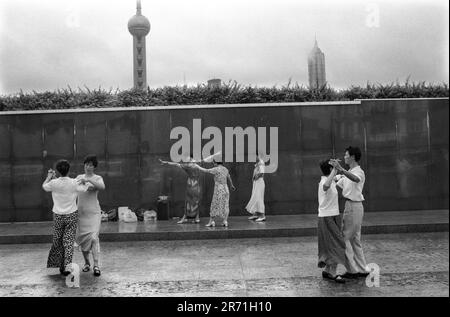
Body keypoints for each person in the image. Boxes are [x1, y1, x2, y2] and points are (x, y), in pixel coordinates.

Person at [330, 146, 370, 279]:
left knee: (344, 238)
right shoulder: (349, 172)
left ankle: (352, 270)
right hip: (352, 206)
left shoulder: (359, 172)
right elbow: (337, 181)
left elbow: (355, 179)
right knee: (354, 239)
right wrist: (333, 170)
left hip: (353, 207)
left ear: (353, 157)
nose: (345, 157)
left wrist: (340, 169)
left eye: (346, 155)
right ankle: (362, 268)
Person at [42, 159, 88, 276]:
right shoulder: (74, 182)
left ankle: (57, 265)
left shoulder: (54, 183)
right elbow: (85, 188)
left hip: (57, 215)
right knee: (68, 241)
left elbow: (44, 187)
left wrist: (49, 177)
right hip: (71, 214)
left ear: (57, 170)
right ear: (69, 170)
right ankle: (67, 267)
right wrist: (84, 181)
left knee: (57, 240)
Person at [75, 155, 105, 277]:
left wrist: (88, 180)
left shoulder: (97, 178)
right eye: (86, 164)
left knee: (93, 237)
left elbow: (102, 187)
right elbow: (70, 186)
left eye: (91, 165)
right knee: (83, 239)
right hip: (81, 213)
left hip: (93, 213)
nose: (88, 167)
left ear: (94, 167)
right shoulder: (78, 177)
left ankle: (96, 265)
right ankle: (87, 263)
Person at [317, 159, 346, 283]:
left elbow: (340, 176)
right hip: (326, 217)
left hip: (333, 216)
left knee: (331, 244)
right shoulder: (324, 181)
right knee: (336, 244)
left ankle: (329, 270)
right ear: (330, 170)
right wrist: (334, 170)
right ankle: (333, 272)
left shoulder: (332, 179)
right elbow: (326, 186)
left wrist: (339, 170)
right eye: (332, 169)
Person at [159, 156, 202, 224]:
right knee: (189, 201)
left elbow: (207, 160)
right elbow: (176, 164)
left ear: (191, 159)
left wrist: (215, 154)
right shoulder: (186, 166)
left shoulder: (195, 164)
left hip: (195, 185)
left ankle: (196, 217)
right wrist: (166, 162)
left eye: (188, 159)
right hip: (191, 184)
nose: (186, 160)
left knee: (195, 201)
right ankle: (186, 217)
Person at [194, 159, 236, 227]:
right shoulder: (225, 169)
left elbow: (205, 170)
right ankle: (225, 221)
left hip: (219, 189)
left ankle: (211, 222)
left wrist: (197, 166)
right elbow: (229, 177)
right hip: (226, 189)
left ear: (216, 163)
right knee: (225, 205)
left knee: (215, 204)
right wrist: (231, 185)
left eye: (214, 163)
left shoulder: (216, 169)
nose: (213, 164)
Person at [246, 155, 266, 222]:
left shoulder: (261, 162)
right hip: (256, 182)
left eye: (255, 156)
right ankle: (256, 214)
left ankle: (262, 216)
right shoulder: (258, 163)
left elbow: (262, 173)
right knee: (255, 197)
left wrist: (256, 177)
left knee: (259, 198)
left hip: (259, 182)